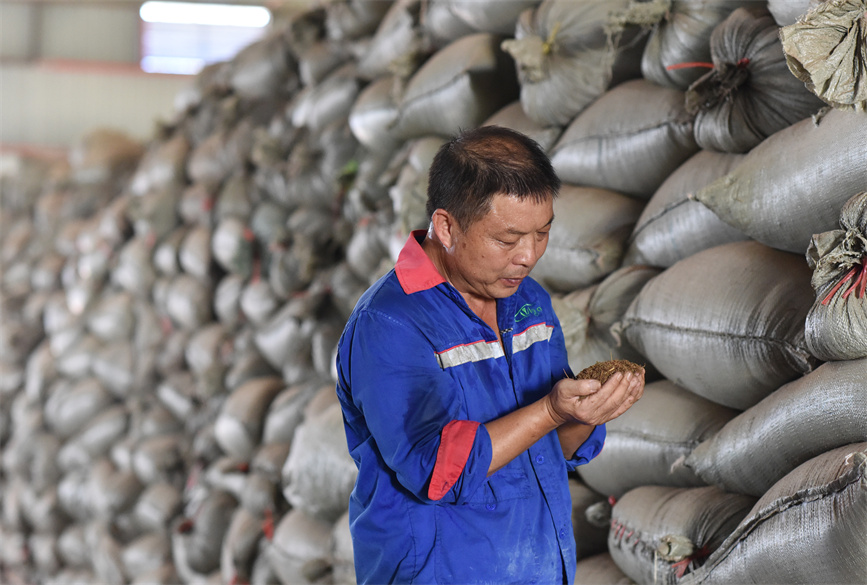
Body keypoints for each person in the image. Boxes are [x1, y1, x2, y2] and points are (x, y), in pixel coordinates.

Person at [335, 125, 644, 584]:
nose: (528, 256)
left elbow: (547, 451)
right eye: (507, 239)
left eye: (542, 233)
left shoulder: (529, 303)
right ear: (446, 227)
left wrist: (585, 413)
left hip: (536, 566)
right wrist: (551, 409)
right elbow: (437, 471)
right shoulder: (391, 324)